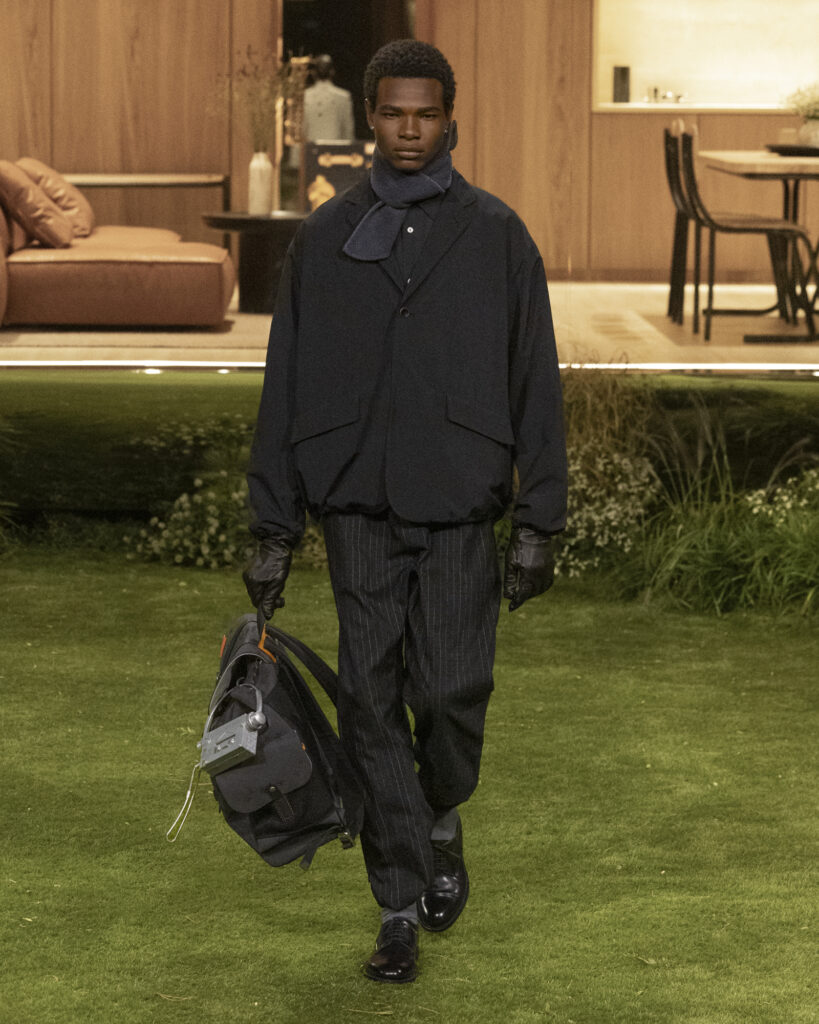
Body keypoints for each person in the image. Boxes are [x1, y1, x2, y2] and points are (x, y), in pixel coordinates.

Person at [243, 38, 567, 985]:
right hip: (357, 502)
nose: (409, 130)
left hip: (460, 499)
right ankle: (396, 904)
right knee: (369, 704)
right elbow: (284, 382)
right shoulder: (325, 237)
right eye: (392, 113)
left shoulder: (497, 235)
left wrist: (539, 520)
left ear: (450, 120)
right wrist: (273, 527)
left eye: (426, 114)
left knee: (451, 693)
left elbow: (534, 381)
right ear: (371, 120)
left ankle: (438, 812)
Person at [301, 54, 355, 143]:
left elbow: (301, 131)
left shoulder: (304, 96)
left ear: (314, 73)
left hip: (311, 149)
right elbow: (348, 132)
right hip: (335, 150)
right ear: (332, 72)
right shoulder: (344, 97)